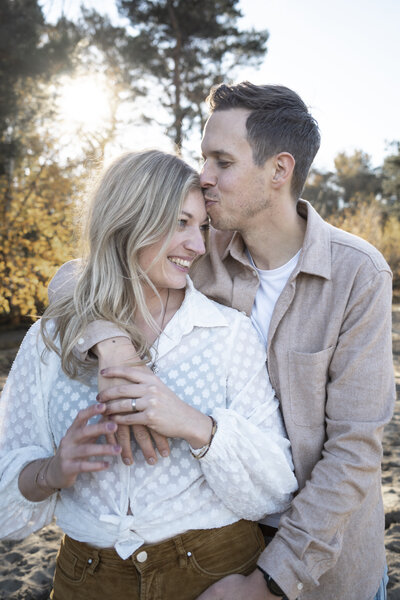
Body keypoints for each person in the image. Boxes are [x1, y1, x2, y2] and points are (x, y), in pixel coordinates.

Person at [50, 83, 396, 600]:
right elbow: (77, 274)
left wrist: (270, 581)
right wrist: (113, 346)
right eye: (202, 157)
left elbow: (354, 449)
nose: (203, 177)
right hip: (213, 556)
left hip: (324, 568)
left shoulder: (358, 274)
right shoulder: (195, 247)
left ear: (279, 171)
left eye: (221, 161)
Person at [0, 150, 298, 600]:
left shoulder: (227, 333)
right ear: (126, 220)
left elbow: (275, 490)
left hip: (214, 574)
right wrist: (51, 471)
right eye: (180, 223)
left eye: (200, 227)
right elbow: (6, 506)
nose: (197, 246)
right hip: (86, 580)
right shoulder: (51, 338)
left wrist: (195, 425)